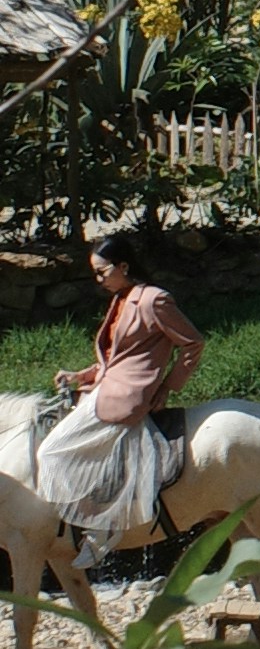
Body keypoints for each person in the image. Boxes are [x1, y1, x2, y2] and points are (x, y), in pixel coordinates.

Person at [40, 223, 205, 563]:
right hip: (106, 388)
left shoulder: (154, 300)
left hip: (125, 397)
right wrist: (80, 374)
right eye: (95, 274)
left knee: (50, 454)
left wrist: (168, 387)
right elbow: (116, 359)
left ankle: (103, 524)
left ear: (123, 267)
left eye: (102, 272)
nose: (98, 280)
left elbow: (193, 343)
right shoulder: (120, 300)